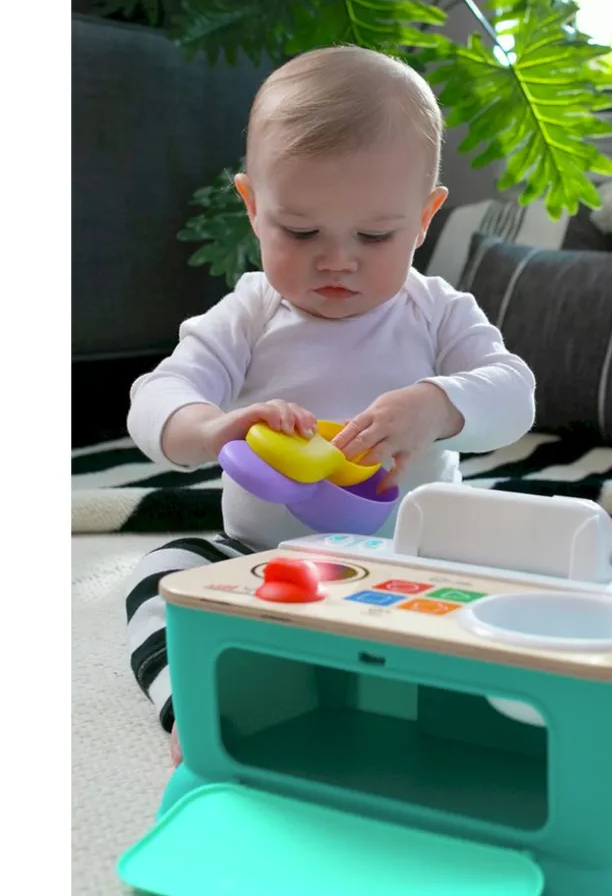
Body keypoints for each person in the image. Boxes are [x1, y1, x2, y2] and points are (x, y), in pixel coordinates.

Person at [123, 46, 536, 765]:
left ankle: (459, 696)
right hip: (264, 564)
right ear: (253, 208)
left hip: (416, 565)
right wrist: (215, 428)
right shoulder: (249, 313)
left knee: (522, 569)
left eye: (375, 236)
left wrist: (437, 405)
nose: (337, 259)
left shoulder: (438, 312)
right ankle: (196, 699)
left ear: (424, 218)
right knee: (160, 576)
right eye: (301, 231)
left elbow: (516, 393)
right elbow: (155, 397)